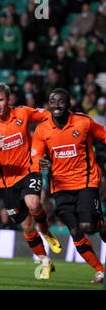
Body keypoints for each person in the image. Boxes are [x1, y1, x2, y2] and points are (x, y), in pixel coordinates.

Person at [0, 83, 62, 280]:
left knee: (33, 202)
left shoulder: (22, 113)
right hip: (6, 183)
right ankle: (45, 261)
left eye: (1, 100)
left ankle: (47, 231)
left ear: (9, 100)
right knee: (27, 227)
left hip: (29, 170)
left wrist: (49, 136)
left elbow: (47, 115)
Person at [31, 88, 106, 284]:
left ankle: (101, 225)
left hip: (86, 182)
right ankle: (100, 270)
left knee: (88, 226)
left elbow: (104, 135)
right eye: (52, 101)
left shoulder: (83, 122)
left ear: (69, 104)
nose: (56, 105)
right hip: (60, 188)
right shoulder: (42, 129)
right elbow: (35, 156)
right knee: (75, 231)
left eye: (61, 102)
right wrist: (39, 162)